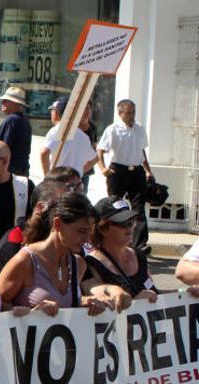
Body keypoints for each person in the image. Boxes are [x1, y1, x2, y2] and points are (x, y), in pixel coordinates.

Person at [0, 192, 108, 317]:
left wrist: (86, 303)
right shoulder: (25, 261)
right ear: (58, 224)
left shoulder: (78, 264)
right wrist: (30, 315)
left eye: (89, 232)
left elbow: (64, 304)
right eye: (81, 231)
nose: (87, 239)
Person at [97, 99, 153, 254]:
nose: (131, 116)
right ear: (120, 113)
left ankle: (140, 245)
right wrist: (103, 168)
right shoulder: (113, 129)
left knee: (139, 207)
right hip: (118, 171)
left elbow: (142, 151)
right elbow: (101, 149)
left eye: (133, 112)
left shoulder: (140, 128)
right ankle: (107, 239)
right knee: (116, 206)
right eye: (128, 113)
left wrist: (148, 170)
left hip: (136, 171)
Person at [82, 197, 158, 311]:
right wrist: (137, 302)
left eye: (132, 221)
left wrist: (184, 292)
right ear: (102, 228)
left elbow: (156, 293)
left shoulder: (139, 256)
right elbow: (105, 309)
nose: (130, 227)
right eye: (123, 223)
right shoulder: (91, 263)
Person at [0, 179, 68, 277]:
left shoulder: (63, 240)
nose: (68, 214)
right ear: (41, 207)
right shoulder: (14, 240)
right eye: (61, 208)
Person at [39, 97, 97, 177]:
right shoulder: (83, 136)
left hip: (58, 180)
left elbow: (44, 152)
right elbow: (94, 158)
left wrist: (47, 177)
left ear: (57, 113)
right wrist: (78, 172)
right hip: (75, 183)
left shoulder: (57, 131)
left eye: (52, 110)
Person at [0, 86, 32, 176]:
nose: (2, 102)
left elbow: (3, 148)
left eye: (6, 100)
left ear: (15, 103)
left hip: (9, 171)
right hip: (21, 170)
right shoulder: (25, 121)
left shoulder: (11, 120)